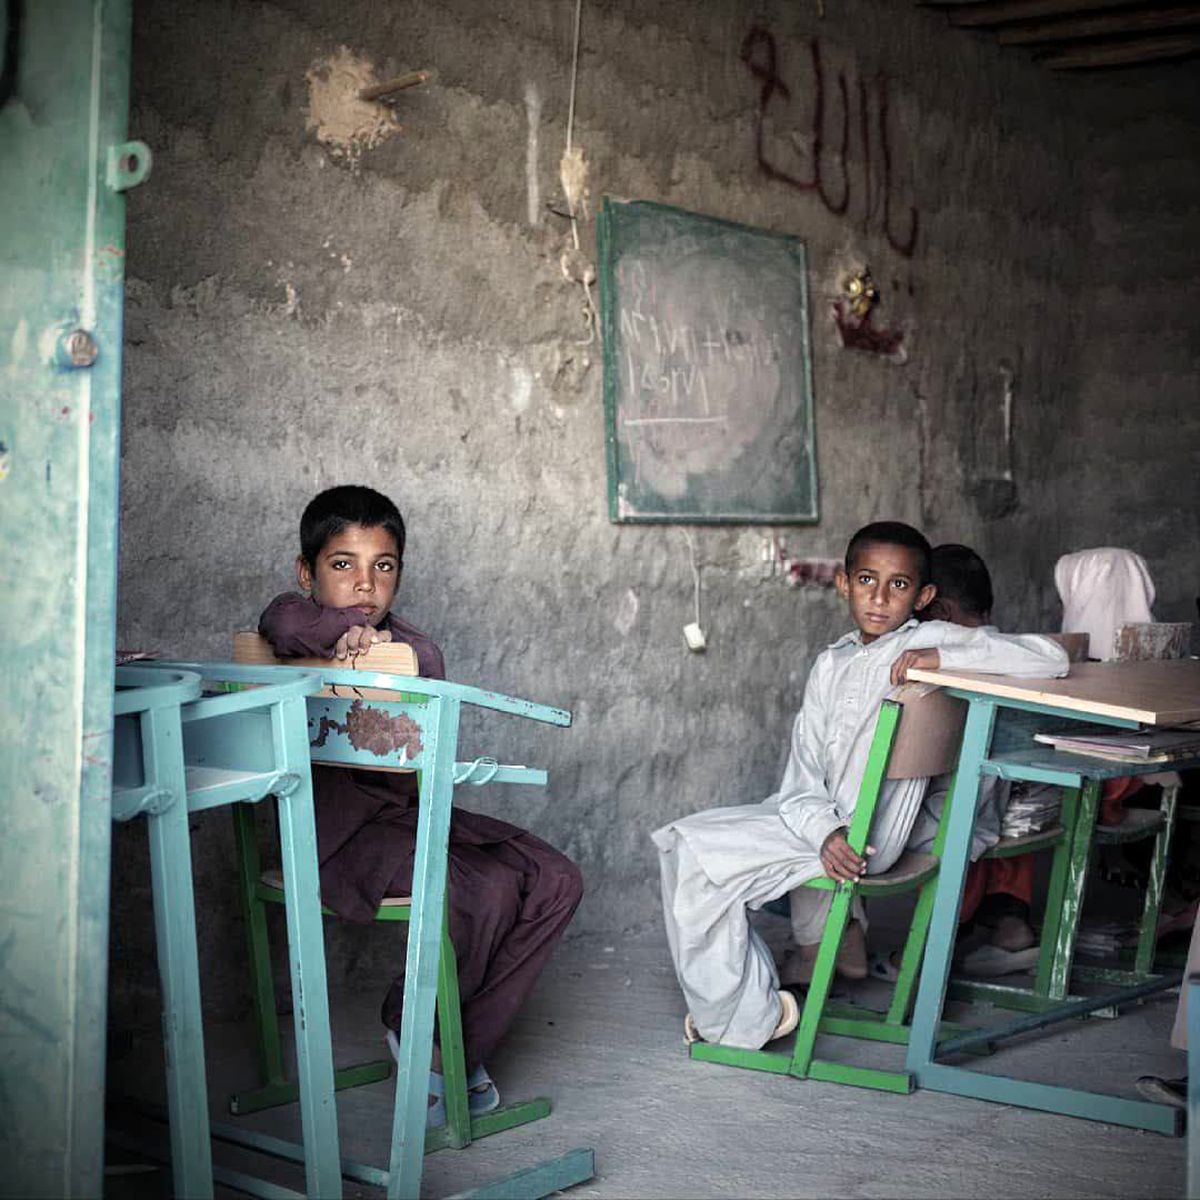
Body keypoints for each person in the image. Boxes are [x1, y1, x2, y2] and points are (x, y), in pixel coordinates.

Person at [652, 521, 1069, 1050]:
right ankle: (802, 965)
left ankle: (743, 1021)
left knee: (690, 850)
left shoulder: (928, 639)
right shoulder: (832, 662)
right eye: (867, 580)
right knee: (690, 839)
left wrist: (942, 658)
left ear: (924, 597)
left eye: (899, 585)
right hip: (830, 824)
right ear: (844, 584)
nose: (879, 597)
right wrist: (823, 831)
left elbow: (1052, 658)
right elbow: (803, 775)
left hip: (869, 838)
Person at [259, 484, 583, 1125]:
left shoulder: (415, 654)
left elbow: (421, 735)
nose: (365, 584)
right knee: (482, 888)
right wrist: (344, 632)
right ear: (307, 573)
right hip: (337, 840)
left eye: (383, 566)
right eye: (343, 564)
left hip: (411, 821)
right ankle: (436, 1053)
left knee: (556, 879)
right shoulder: (292, 628)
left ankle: (436, 1038)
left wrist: (372, 646)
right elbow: (282, 621)